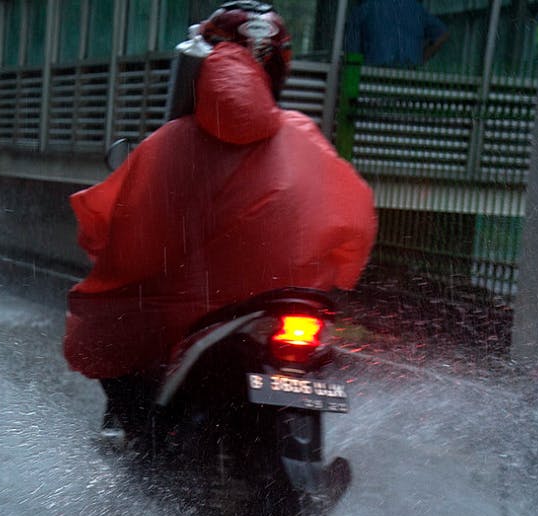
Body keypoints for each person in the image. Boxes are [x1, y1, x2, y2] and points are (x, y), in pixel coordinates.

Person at [63, 0, 376, 430]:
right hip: (289, 303)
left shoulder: (172, 142)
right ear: (278, 68)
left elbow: (128, 237)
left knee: (118, 336)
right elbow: (352, 217)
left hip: (196, 317)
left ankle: (132, 434)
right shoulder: (305, 134)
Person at [343, 0, 449, 69]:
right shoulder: (415, 9)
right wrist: (421, 58)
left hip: (374, 80)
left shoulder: (364, 9)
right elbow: (442, 35)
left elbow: (352, 57)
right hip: (407, 82)